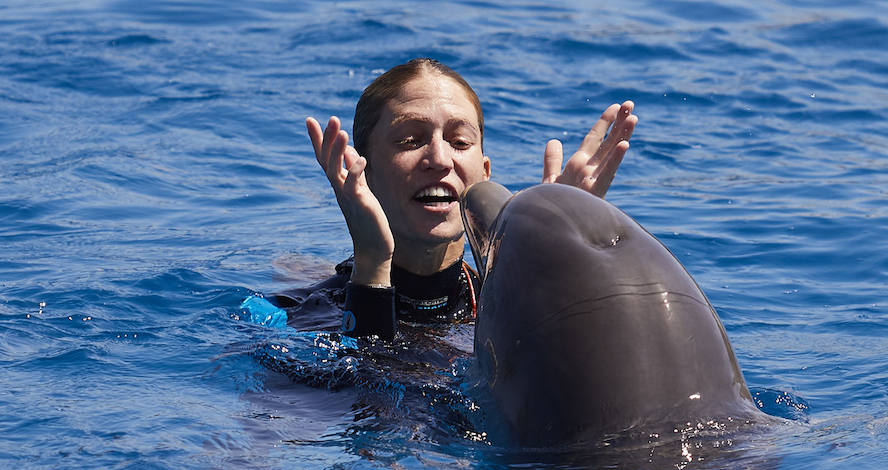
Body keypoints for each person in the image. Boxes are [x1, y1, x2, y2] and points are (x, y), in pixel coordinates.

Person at [267, 58, 637, 338]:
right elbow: (361, 407)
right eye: (410, 140)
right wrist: (373, 263)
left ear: (484, 172)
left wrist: (558, 256)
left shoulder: (506, 304)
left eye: (460, 143)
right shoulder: (294, 316)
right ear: (365, 173)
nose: (440, 160)